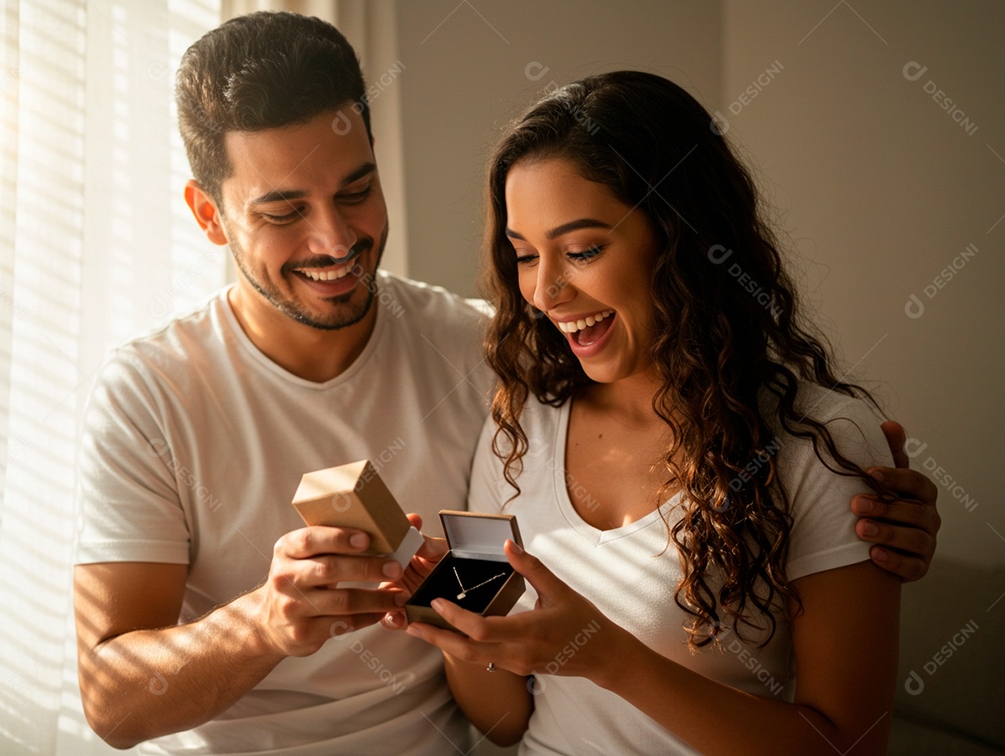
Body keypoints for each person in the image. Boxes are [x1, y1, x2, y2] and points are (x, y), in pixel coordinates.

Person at [71, 13, 938, 755]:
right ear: (208, 213)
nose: (336, 239)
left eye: (358, 189)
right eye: (284, 211)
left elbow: (725, 424)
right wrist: (263, 623)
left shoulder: (492, 362)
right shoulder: (151, 394)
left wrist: (860, 502)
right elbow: (109, 703)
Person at [403, 70, 929, 755]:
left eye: (583, 249)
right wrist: (457, 622)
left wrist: (604, 656)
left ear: (680, 235)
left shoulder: (818, 442)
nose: (546, 291)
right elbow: (504, 725)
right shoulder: (521, 422)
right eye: (525, 255)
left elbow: (849, 748)